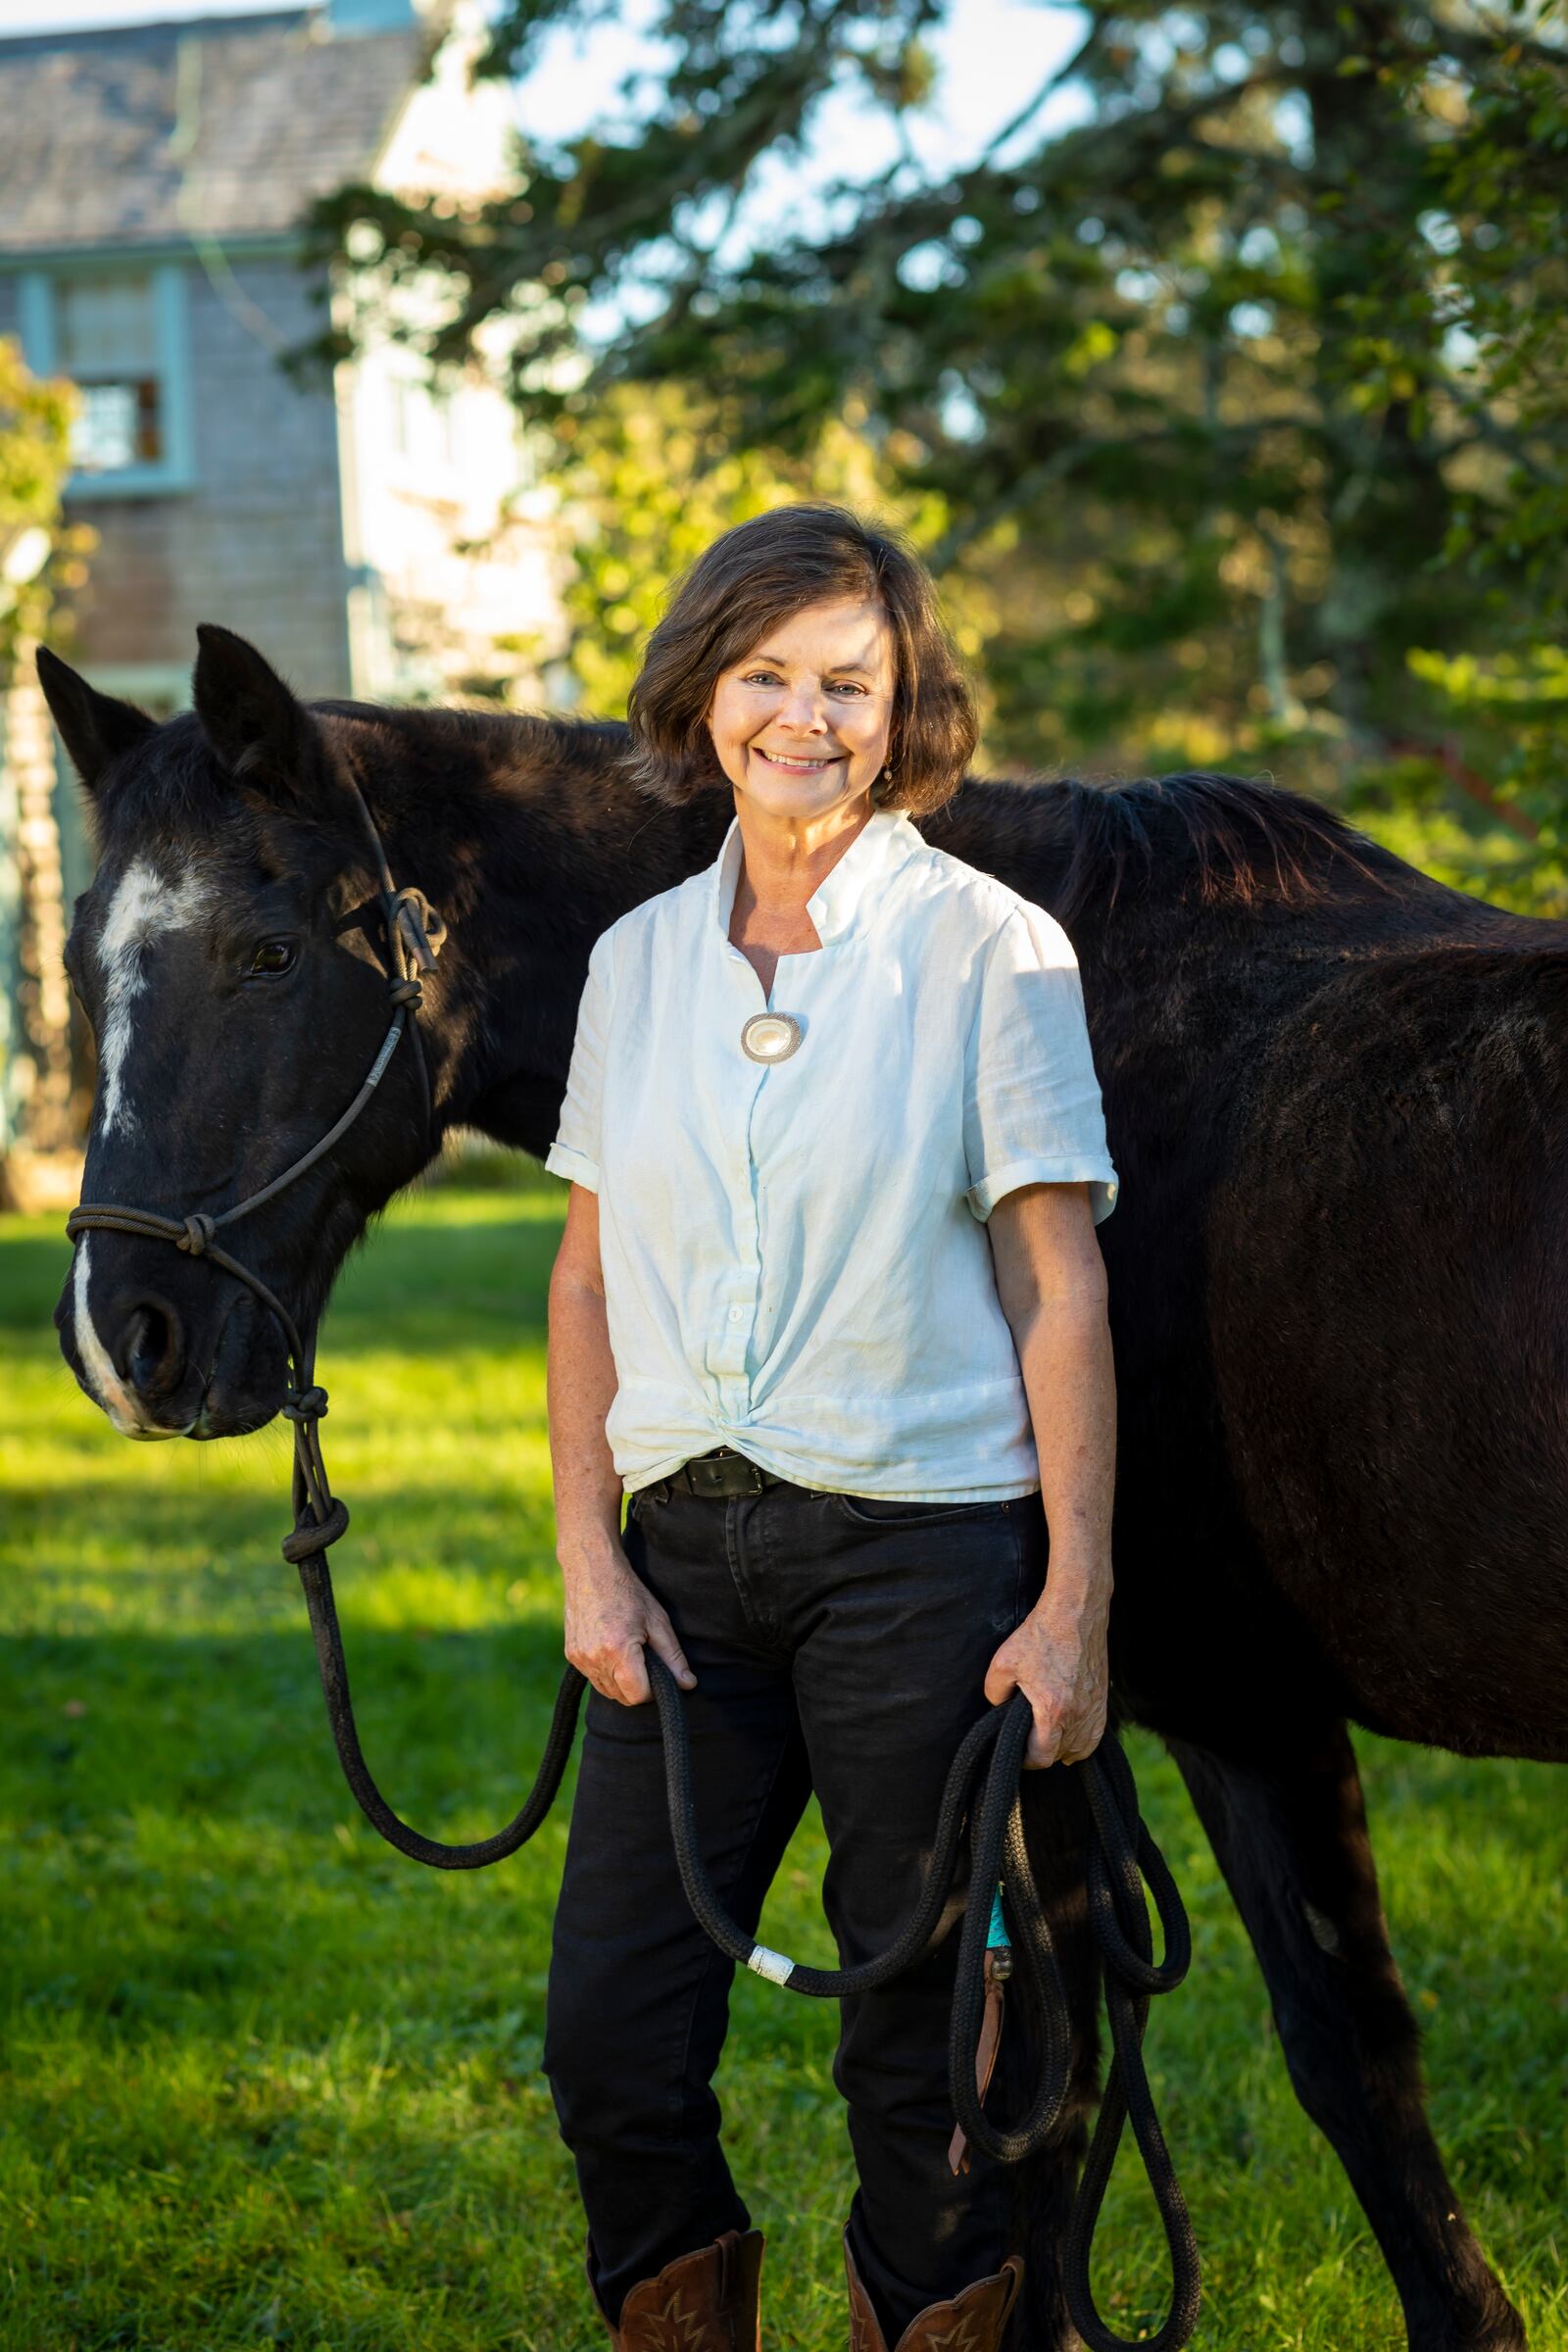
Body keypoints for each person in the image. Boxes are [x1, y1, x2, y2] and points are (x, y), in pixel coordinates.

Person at [543, 504, 1118, 2352]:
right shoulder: (634, 962)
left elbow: (1059, 1284)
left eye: (849, 682)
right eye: (768, 674)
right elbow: (582, 1283)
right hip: (680, 1571)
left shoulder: (989, 948)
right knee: (611, 2040)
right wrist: (586, 1559)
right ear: (706, 690)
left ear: (906, 705)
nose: (807, 716)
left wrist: (1075, 1601)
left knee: (932, 2057)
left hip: (921, 1559)